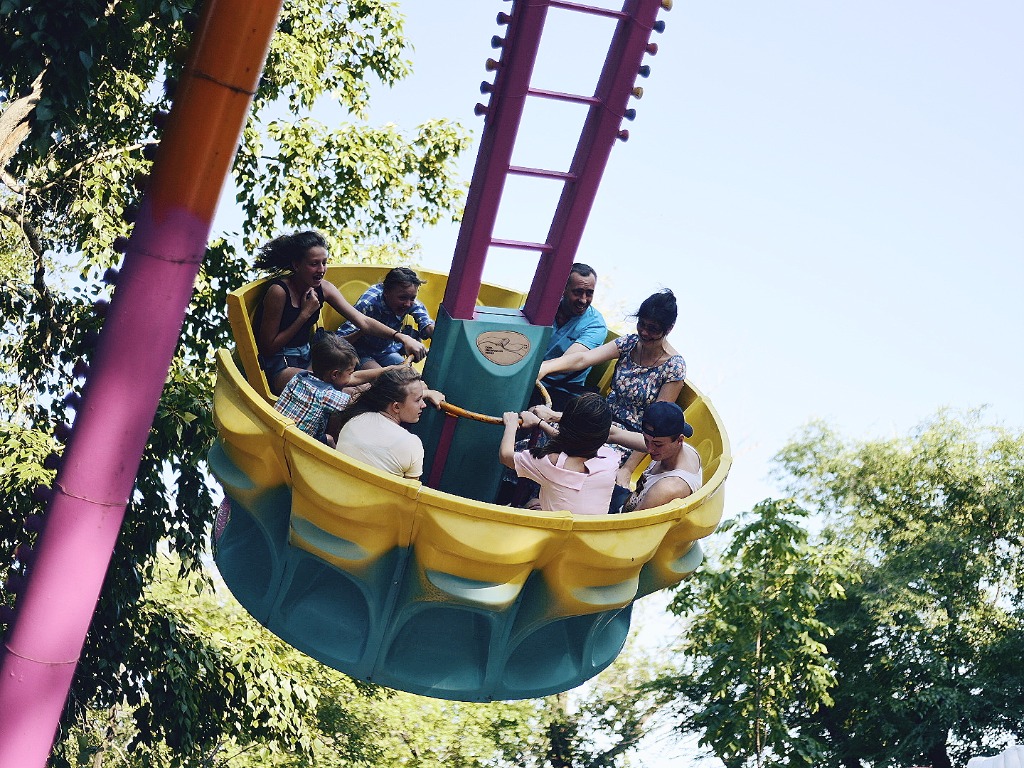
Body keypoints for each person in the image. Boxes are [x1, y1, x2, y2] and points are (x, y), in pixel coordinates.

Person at [537, 289, 686, 499]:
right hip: (599, 419)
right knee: (543, 435)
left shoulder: (673, 367)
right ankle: (528, 491)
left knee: (579, 455)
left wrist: (627, 470)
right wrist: (546, 366)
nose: (644, 332)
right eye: (642, 324)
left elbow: (656, 429)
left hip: (629, 436)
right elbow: (583, 359)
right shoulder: (630, 344)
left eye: (652, 329)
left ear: (668, 329)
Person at [253, 231, 427, 394]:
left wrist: (402, 337)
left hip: (309, 360)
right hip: (281, 366)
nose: (321, 269)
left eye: (324, 263)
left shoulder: (324, 289)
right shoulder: (279, 292)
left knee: (366, 389)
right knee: (348, 392)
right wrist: (304, 314)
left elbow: (364, 322)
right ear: (296, 265)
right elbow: (268, 348)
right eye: (314, 264)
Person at [499, 393, 618, 516]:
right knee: (537, 501)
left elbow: (505, 455)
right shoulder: (611, 459)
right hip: (586, 532)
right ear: (603, 435)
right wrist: (540, 423)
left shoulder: (550, 464)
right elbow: (579, 440)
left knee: (532, 504)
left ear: (563, 423)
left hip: (553, 531)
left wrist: (511, 424)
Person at [273, 334, 403, 447]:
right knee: (330, 439)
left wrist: (389, 369)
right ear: (334, 375)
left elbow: (355, 377)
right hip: (296, 442)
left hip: (276, 431)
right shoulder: (327, 395)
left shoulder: (300, 377)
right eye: (350, 372)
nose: (352, 375)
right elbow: (361, 402)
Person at [334, 366, 444, 480]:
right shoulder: (411, 444)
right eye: (418, 400)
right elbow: (408, 494)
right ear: (396, 406)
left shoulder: (354, 419)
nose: (423, 405)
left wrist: (426, 393)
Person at [336, 266, 436, 370]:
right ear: (386, 292)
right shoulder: (368, 305)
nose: (407, 304)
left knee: (410, 377)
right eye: (402, 298)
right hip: (360, 352)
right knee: (381, 376)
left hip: (386, 350)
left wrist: (431, 330)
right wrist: (364, 331)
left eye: (412, 298)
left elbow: (426, 323)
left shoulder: (409, 301)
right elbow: (338, 344)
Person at [537, 263, 607, 410]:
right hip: (525, 379)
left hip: (562, 391)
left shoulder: (596, 325)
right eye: (578, 292)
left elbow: (569, 361)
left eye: (589, 293)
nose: (583, 299)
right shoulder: (543, 306)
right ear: (563, 289)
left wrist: (541, 369)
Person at [618, 401, 702, 513]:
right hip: (628, 502)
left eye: (658, 444)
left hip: (627, 518)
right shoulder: (672, 448)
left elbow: (627, 526)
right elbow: (615, 434)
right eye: (646, 440)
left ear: (680, 440)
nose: (649, 449)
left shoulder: (669, 487)